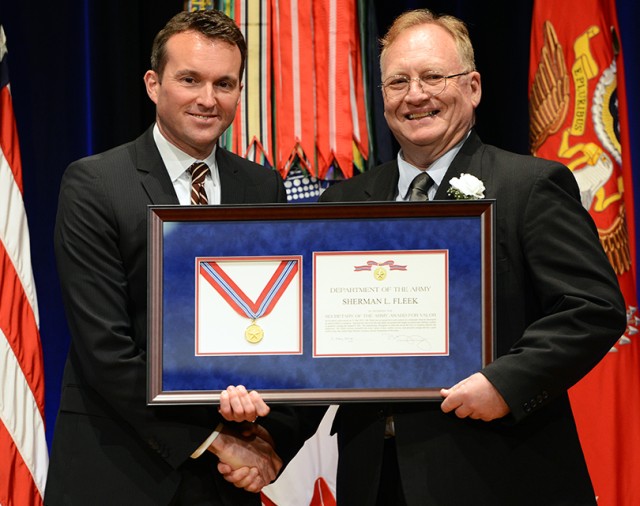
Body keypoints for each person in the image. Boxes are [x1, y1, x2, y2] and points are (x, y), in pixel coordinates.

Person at [309, 8, 625, 506]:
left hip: (498, 472)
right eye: (397, 82)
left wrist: (504, 383)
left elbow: (594, 308)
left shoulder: (530, 186)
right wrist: (269, 436)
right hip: (374, 478)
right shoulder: (343, 202)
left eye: (434, 76)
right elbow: (315, 338)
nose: (416, 95)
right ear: (383, 97)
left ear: (473, 87)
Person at [45, 9, 307, 505]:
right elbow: (106, 352)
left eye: (224, 83)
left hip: (228, 483)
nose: (208, 100)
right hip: (119, 470)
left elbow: (285, 336)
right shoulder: (95, 184)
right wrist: (215, 442)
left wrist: (273, 442)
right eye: (190, 79)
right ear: (153, 83)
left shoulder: (263, 186)